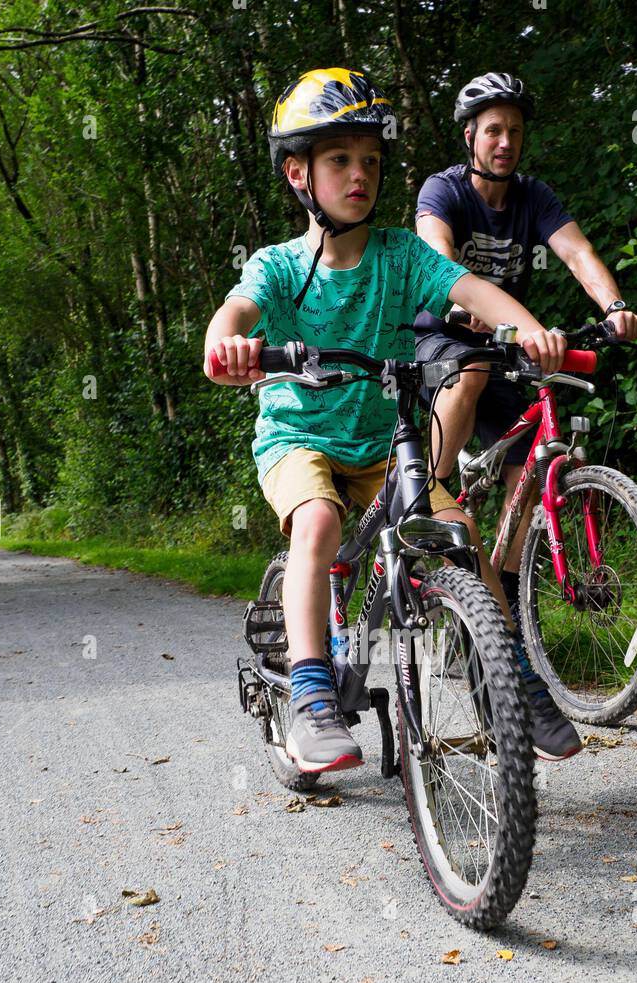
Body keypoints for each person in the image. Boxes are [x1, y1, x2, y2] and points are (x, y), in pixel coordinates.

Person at [203, 67, 572, 775]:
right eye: (338, 159)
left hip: (382, 441)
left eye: (370, 160)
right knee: (318, 523)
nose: (358, 174)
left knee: (456, 529)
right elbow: (236, 312)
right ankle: (312, 693)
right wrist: (226, 346)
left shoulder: (402, 255)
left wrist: (528, 331)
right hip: (300, 438)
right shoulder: (278, 266)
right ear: (297, 174)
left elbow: (471, 289)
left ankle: (509, 673)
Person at [414, 72, 637, 741]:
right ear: (470, 136)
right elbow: (434, 256)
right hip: (443, 339)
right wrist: (468, 307)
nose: (505, 141)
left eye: (514, 130)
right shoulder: (444, 190)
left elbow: (575, 251)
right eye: (493, 129)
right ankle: (431, 486)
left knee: (529, 469)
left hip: (506, 341)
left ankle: (502, 595)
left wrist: (613, 307)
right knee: (472, 371)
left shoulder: (533, 197)